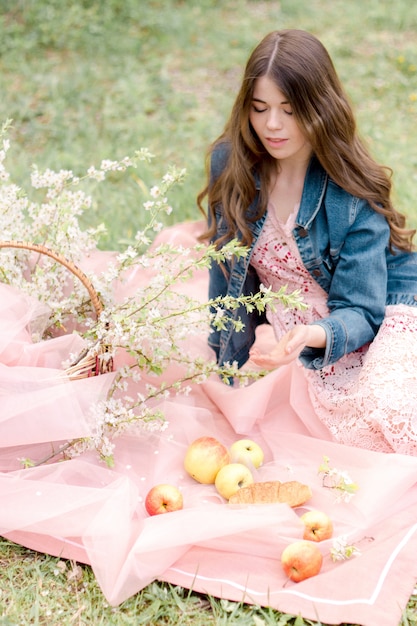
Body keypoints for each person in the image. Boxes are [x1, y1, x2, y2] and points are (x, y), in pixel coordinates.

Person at [197, 29, 417, 455]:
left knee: (386, 414)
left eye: (290, 110)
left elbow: (361, 309)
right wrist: (227, 352)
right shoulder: (232, 164)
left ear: (319, 110)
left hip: (373, 313)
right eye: (259, 109)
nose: (272, 125)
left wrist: (312, 333)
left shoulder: (351, 192)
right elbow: (225, 272)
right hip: (290, 332)